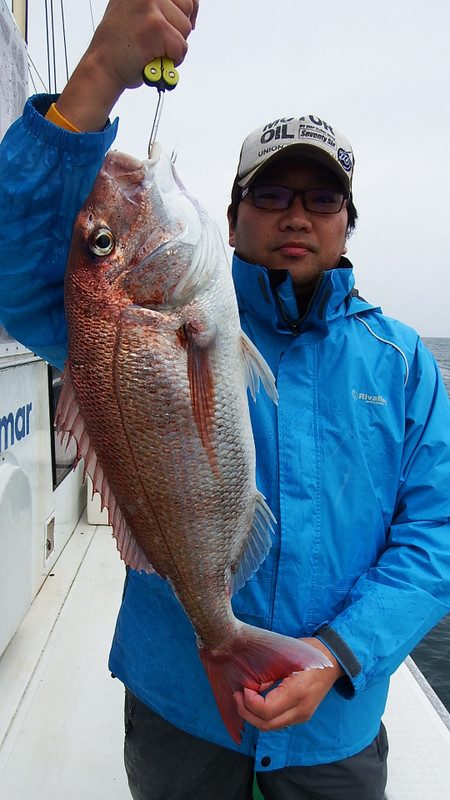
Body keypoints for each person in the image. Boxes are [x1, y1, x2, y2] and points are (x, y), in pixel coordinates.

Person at [1, 2, 450, 799]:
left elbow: (436, 534)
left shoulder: (403, 364)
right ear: (233, 213)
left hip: (333, 731)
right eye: (273, 194)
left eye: (322, 199)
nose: (297, 215)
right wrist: (98, 77)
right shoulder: (112, 316)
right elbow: (15, 260)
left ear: (349, 222)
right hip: (182, 715)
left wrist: (339, 655)